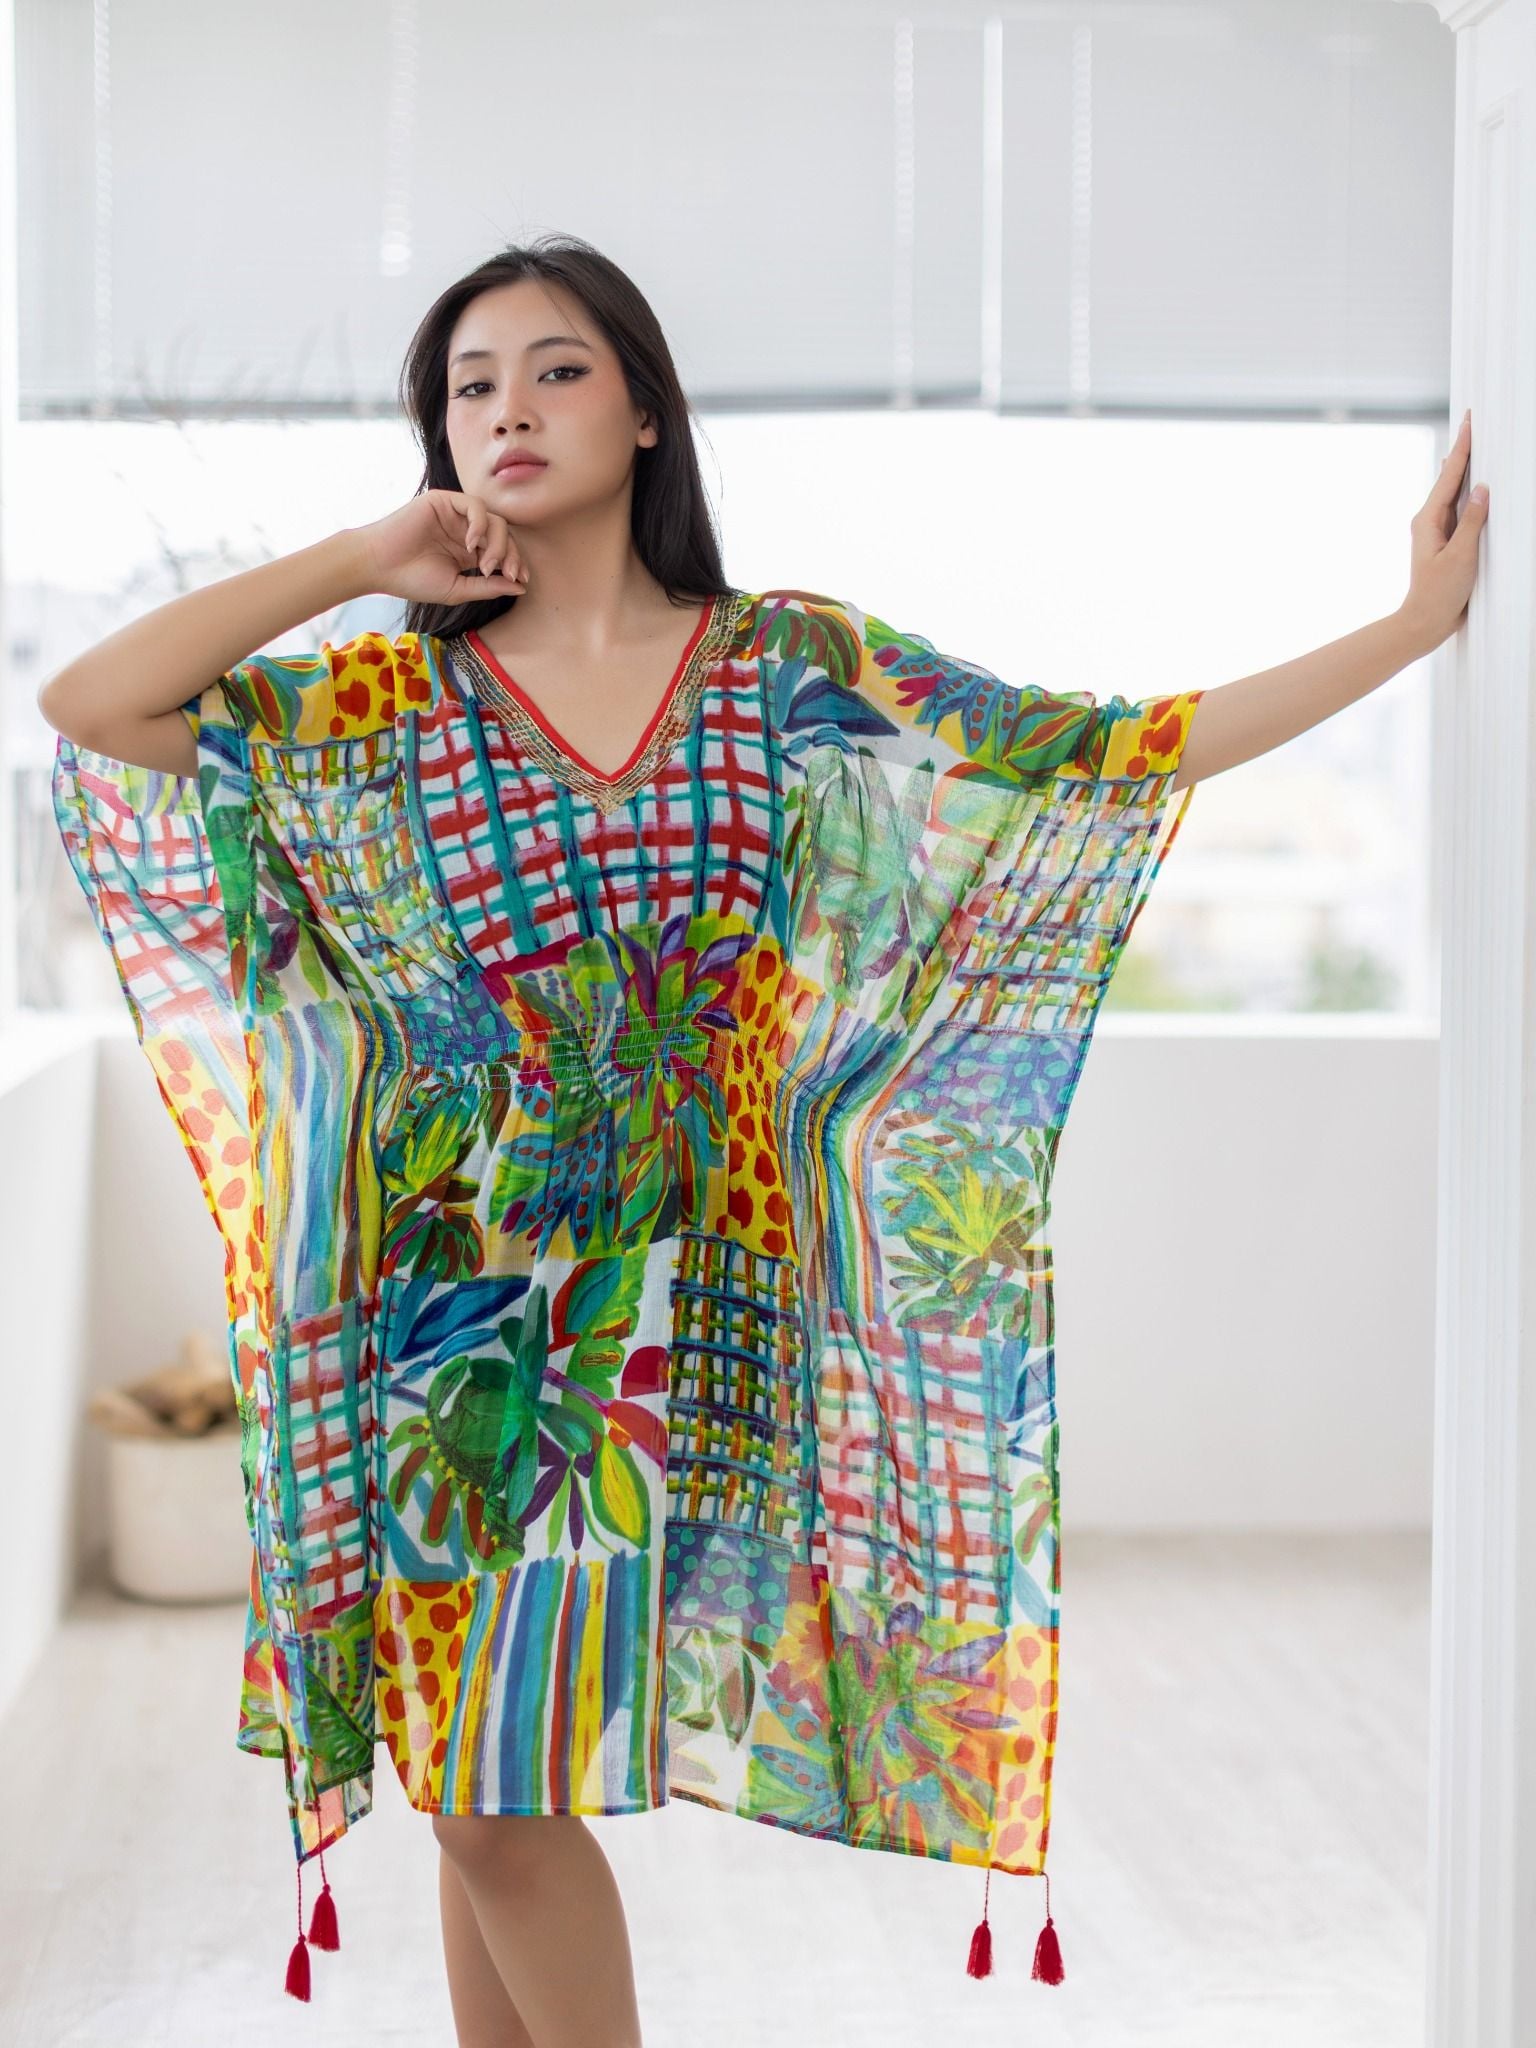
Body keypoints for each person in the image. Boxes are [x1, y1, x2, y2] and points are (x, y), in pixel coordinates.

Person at [40, 231, 1488, 2048]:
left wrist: (1410, 631)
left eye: (555, 369)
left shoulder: (786, 667)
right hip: (450, 1317)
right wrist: (357, 558)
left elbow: (1104, 752)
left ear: (645, 409)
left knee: (498, 1788)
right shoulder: (387, 707)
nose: (507, 410)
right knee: (481, 1794)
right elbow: (94, 705)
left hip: (676, 1318)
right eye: (469, 386)